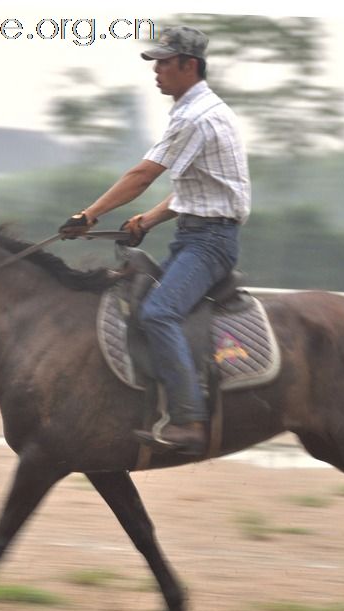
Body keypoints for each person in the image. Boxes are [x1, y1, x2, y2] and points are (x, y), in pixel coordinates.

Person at [59, 25, 251, 456]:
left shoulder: (195, 116)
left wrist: (90, 214)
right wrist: (148, 219)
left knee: (158, 313)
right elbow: (199, 190)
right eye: (156, 62)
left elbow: (143, 175)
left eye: (165, 62)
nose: (157, 71)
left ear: (190, 65)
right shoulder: (201, 111)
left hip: (209, 242)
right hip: (196, 235)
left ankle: (189, 421)